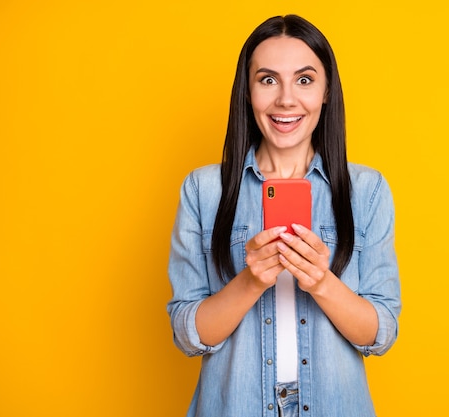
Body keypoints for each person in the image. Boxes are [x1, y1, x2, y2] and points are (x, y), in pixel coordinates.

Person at [167, 14, 401, 417]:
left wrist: (322, 282)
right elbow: (188, 336)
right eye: (268, 79)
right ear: (248, 91)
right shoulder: (204, 190)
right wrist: (251, 280)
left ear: (326, 92)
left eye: (305, 80)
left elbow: (381, 333)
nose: (286, 100)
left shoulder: (367, 191)